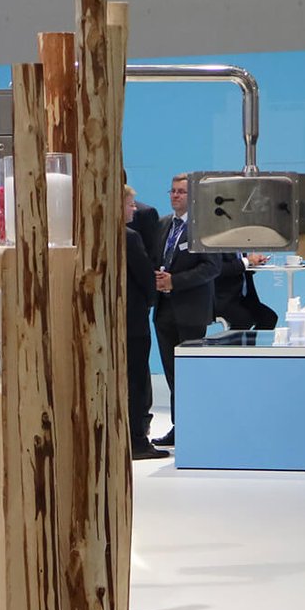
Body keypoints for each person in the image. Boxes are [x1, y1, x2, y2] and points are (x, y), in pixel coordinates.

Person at [151, 173, 221, 447]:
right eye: (172, 191)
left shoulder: (204, 226)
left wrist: (175, 281)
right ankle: (179, 426)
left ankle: (196, 426)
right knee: (172, 372)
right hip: (164, 308)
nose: (175, 196)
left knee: (190, 373)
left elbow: (211, 267)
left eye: (181, 191)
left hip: (191, 309)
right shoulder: (163, 224)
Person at [123, 183, 169, 459]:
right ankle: (138, 441)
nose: (134, 210)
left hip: (116, 319)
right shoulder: (129, 237)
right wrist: (152, 299)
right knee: (137, 378)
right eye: (130, 205)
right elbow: (145, 276)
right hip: (133, 319)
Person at [213, 251, 278, 331]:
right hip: (223, 300)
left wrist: (254, 263)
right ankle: (231, 339)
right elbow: (218, 269)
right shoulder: (218, 247)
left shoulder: (240, 247)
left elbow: (242, 270)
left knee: (269, 318)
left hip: (243, 298)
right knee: (244, 320)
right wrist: (247, 261)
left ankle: (250, 339)